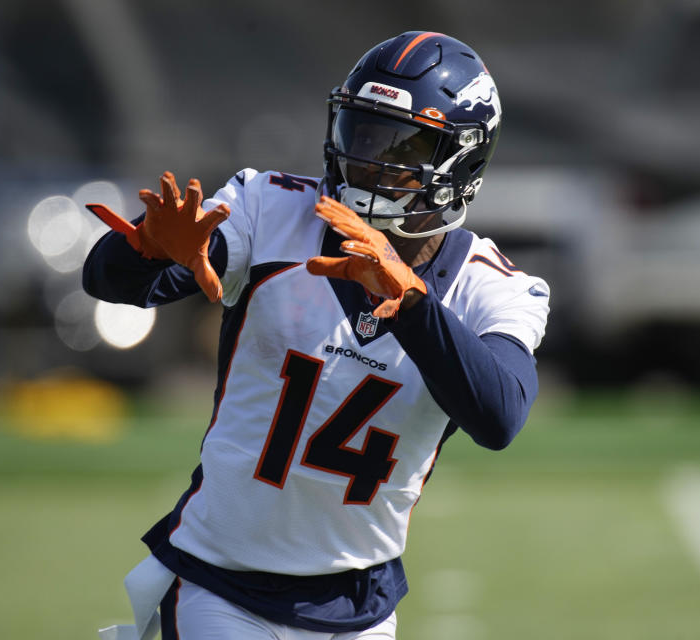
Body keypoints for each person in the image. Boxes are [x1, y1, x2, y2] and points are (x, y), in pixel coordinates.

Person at [83, 31, 549, 640]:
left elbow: (499, 416)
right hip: (217, 581)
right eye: (362, 133)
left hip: (359, 605)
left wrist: (410, 302)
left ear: (458, 160)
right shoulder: (269, 210)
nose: (369, 159)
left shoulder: (491, 287)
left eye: (401, 146)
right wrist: (144, 248)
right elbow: (112, 281)